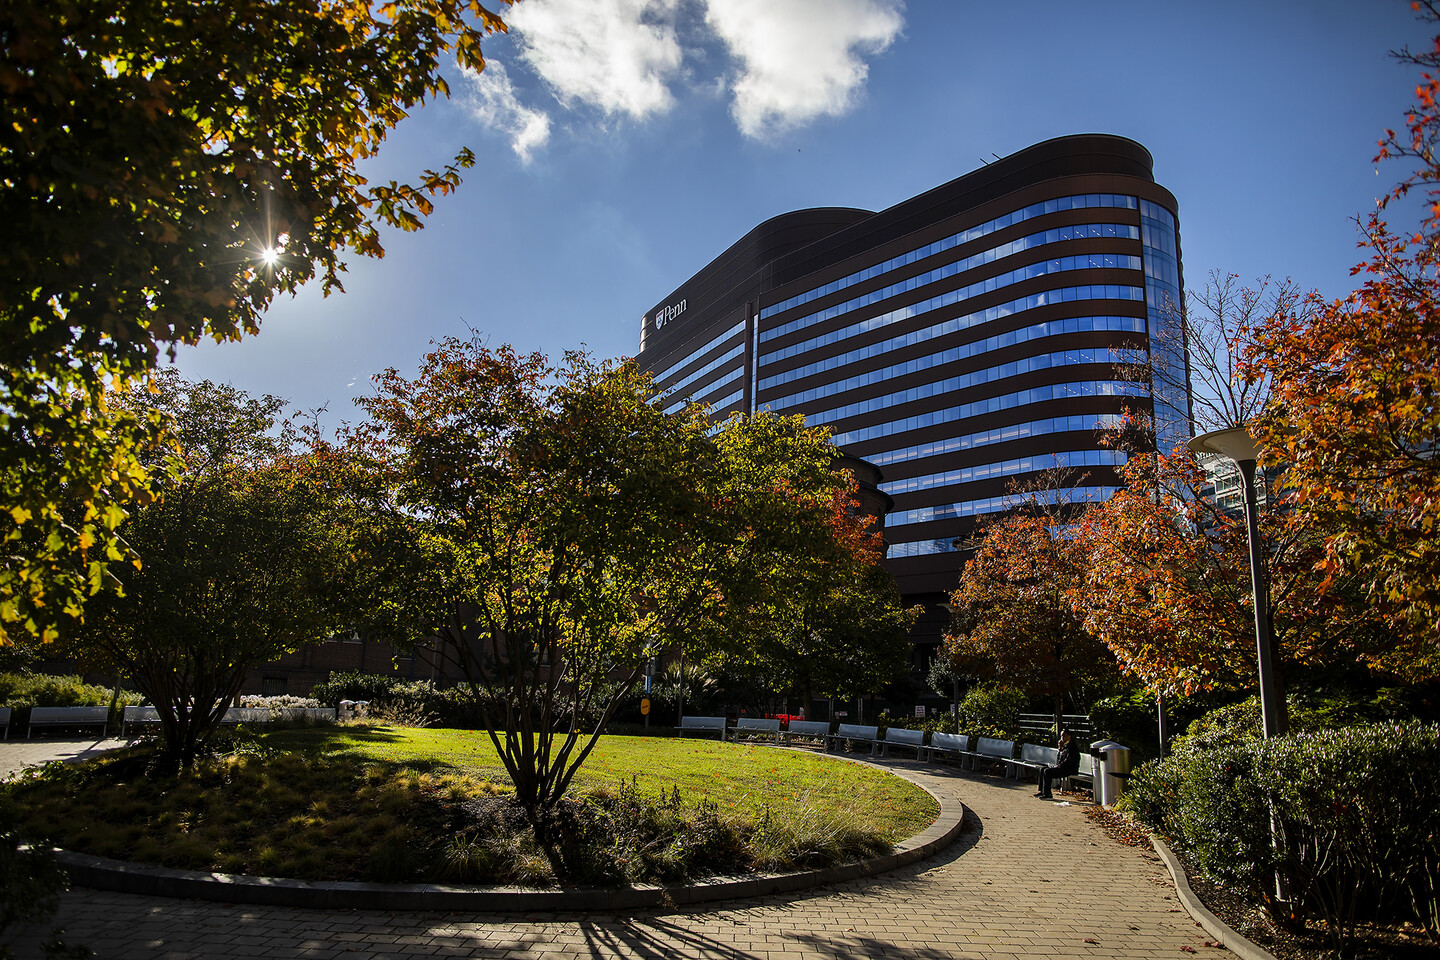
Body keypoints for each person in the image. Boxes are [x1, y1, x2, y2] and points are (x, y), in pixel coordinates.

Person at [1036, 728, 1080, 800]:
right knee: (1042, 769)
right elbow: (1059, 759)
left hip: (1069, 769)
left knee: (1047, 772)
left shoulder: (1072, 747)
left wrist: (1059, 766)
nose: (1062, 738)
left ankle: (1048, 794)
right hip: (1063, 767)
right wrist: (1060, 749)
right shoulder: (1065, 746)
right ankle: (1042, 791)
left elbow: (1069, 761)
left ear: (1069, 736)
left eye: (1064, 736)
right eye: (1061, 736)